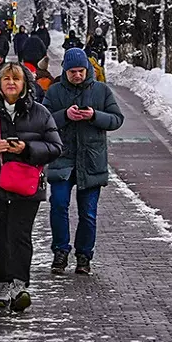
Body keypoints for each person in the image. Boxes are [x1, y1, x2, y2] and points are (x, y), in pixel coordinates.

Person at [0, 63, 63, 312]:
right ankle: (0, 283)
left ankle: (19, 285)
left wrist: (27, 149)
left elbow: (56, 147)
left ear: (25, 84)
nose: (11, 83)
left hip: (26, 185)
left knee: (19, 235)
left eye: (16, 79)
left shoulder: (40, 113)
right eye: (6, 78)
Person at [43, 47, 124, 275]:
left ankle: (84, 255)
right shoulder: (55, 91)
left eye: (81, 71)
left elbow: (117, 119)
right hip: (62, 159)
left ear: (87, 69)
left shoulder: (101, 90)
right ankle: (60, 251)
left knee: (88, 213)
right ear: (65, 71)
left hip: (91, 160)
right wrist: (65, 116)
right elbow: (43, 120)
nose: (77, 75)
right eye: (72, 72)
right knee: (59, 205)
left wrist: (94, 115)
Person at [18, 35, 48, 101]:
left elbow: (21, 50)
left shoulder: (27, 41)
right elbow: (44, 50)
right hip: (37, 59)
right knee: (37, 73)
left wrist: (21, 59)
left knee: (28, 73)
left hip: (28, 59)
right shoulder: (39, 41)